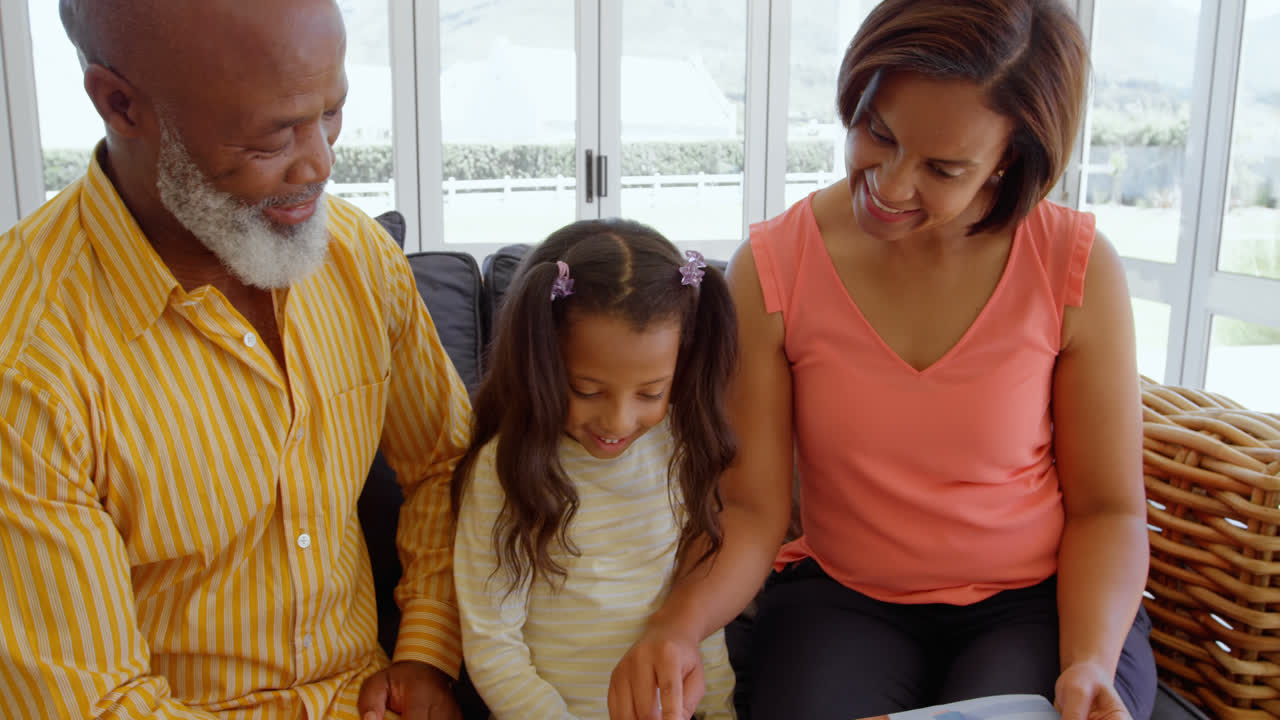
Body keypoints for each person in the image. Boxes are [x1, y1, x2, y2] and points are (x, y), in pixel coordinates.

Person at [608, 1, 1158, 719]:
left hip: (1041, 602)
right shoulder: (774, 268)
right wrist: (676, 627)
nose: (891, 185)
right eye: (878, 132)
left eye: (943, 168)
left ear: (1009, 158)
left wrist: (1088, 660)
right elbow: (750, 507)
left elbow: (1109, 510)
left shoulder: (1075, 267)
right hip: (845, 597)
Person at [0, 1, 473, 718]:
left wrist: (426, 652)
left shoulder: (359, 259)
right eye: (271, 136)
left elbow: (446, 464)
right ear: (120, 104)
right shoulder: (25, 360)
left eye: (331, 113)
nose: (321, 164)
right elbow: (92, 703)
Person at [449, 219, 739, 719]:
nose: (618, 421)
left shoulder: (681, 447)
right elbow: (494, 645)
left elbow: (699, 611)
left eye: (650, 393)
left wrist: (720, 711)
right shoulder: (504, 471)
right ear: (541, 364)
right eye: (586, 390)